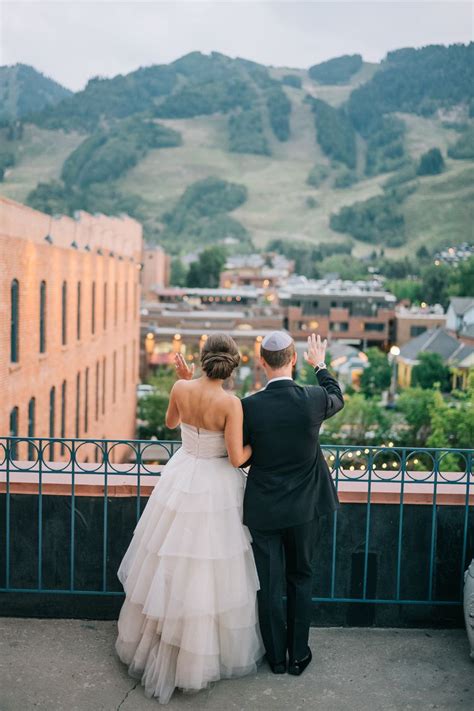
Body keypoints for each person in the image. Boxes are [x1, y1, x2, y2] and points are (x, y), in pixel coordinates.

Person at [115, 334, 264, 704]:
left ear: (201, 358)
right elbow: (235, 458)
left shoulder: (181, 388)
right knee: (206, 571)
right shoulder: (231, 403)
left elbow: (170, 423)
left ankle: (160, 641)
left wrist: (182, 382)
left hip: (181, 476)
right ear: (232, 364)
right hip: (216, 486)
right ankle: (195, 656)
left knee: (168, 561)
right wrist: (258, 445)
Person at [242, 331, 344, 676]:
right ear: (294, 359)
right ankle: (298, 655)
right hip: (306, 508)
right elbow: (337, 396)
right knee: (300, 576)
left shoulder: (249, 406)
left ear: (261, 362)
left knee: (268, 584)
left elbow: (241, 458)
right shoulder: (313, 398)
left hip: (264, 508)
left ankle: (277, 658)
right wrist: (322, 366)